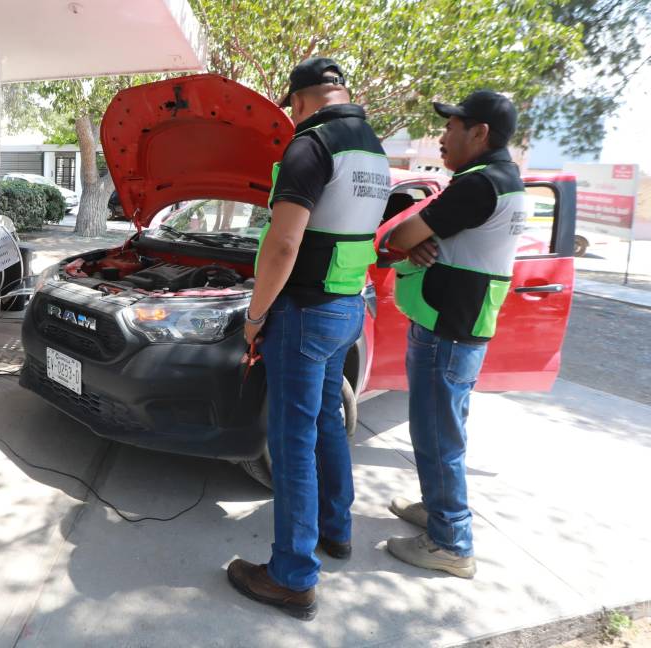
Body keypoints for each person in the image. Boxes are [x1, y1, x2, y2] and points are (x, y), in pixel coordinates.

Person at [226, 57, 391, 620]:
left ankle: (292, 577)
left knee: (292, 441)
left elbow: (282, 245)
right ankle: (335, 529)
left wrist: (254, 316)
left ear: (298, 100)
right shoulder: (372, 150)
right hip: (346, 306)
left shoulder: (310, 145)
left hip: (302, 313)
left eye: (288, 107)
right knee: (325, 423)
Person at [384, 91, 526, 578]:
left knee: (439, 434)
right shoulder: (500, 180)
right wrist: (425, 241)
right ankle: (438, 509)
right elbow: (424, 240)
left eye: (452, 127)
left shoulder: (479, 185)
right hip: (457, 323)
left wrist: (415, 241)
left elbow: (399, 239)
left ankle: (450, 541)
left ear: (479, 133)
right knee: (436, 428)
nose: (443, 137)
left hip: (448, 326)